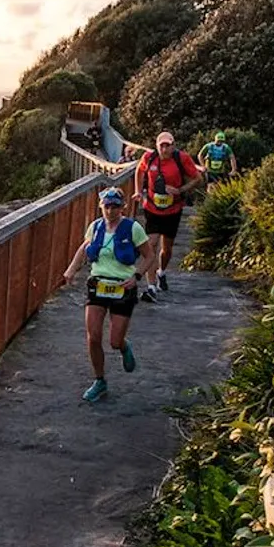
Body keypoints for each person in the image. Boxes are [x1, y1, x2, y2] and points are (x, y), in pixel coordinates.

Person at [62, 185, 150, 402]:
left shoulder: (133, 228)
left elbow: (150, 256)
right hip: (98, 284)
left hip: (123, 287)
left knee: (114, 341)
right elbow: (85, 247)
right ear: (101, 206)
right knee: (93, 337)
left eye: (115, 207)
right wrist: (71, 270)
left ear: (122, 208)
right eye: (107, 206)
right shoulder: (95, 227)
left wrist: (136, 276)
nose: (111, 211)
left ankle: (123, 346)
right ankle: (99, 380)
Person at [134, 131, 202, 297]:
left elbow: (198, 178)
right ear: (157, 146)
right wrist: (138, 191)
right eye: (161, 145)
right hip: (151, 208)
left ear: (173, 146)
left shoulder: (182, 159)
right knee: (151, 244)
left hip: (173, 209)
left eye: (168, 145)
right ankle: (151, 287)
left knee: (167, 248)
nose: (164, 149)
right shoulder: (149, 157)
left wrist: (179, 190)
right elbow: (139, 171)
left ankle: (161, 272)